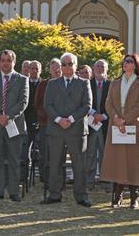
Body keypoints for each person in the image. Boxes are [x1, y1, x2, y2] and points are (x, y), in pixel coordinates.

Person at [42, 52, 92, 207]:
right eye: (64, 64)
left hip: (76, 129)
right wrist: (59, 120)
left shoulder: (84, 83)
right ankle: (54, 194)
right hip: (56, 129)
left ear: (76, 65)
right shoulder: (52, 83)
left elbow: (87, 105)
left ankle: (81, 196)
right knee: (55, 163)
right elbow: (47, 105)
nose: (67, 67)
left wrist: (70, 119)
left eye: (70, 64)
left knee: (79, 164)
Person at [100, 54, 139, 209]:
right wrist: (115, 118)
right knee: (117, 161)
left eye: (129, 62)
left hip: (133, 126)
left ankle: (134, 197)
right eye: (124, 61)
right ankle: (117, 195)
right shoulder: (115, 83)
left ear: (135, 65)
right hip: (116, 126)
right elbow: (108, 103)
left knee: (134, 162)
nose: (125, 64)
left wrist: (125, 120)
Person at [0, 50, 29, 201]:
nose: (5, 63)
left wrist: (8, 116)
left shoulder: (22, 79)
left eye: (8, 60)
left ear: (14, 62)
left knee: (14, 159)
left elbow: (23, 102)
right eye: (3, 60)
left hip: (13, 124)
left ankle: (14, 191)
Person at [35, 58, 61, 184]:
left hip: (62, 125)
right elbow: (37, 104)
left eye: (59, 68)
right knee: (45, 152)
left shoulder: (65, 83)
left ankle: (57, 177)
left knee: (58, 153)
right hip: (46, 123)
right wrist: (48, 116)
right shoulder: (43, 84)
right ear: (50, 70)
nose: (57, 70)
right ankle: (44, 177)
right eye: (54, 68)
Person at [86, 59, 110, 189]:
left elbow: (114, 103)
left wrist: (104, 116)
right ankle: (89, 182)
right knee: (90, 154)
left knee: (104, 154)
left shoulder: (111, 85)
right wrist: (94, 114)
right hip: (91, 124)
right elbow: (84, 102)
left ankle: (105, 181)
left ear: (106, 70)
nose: (100, 68)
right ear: (93, 69)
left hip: (105, 125)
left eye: (102, 66)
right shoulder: (87, 84)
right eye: (97, 66)